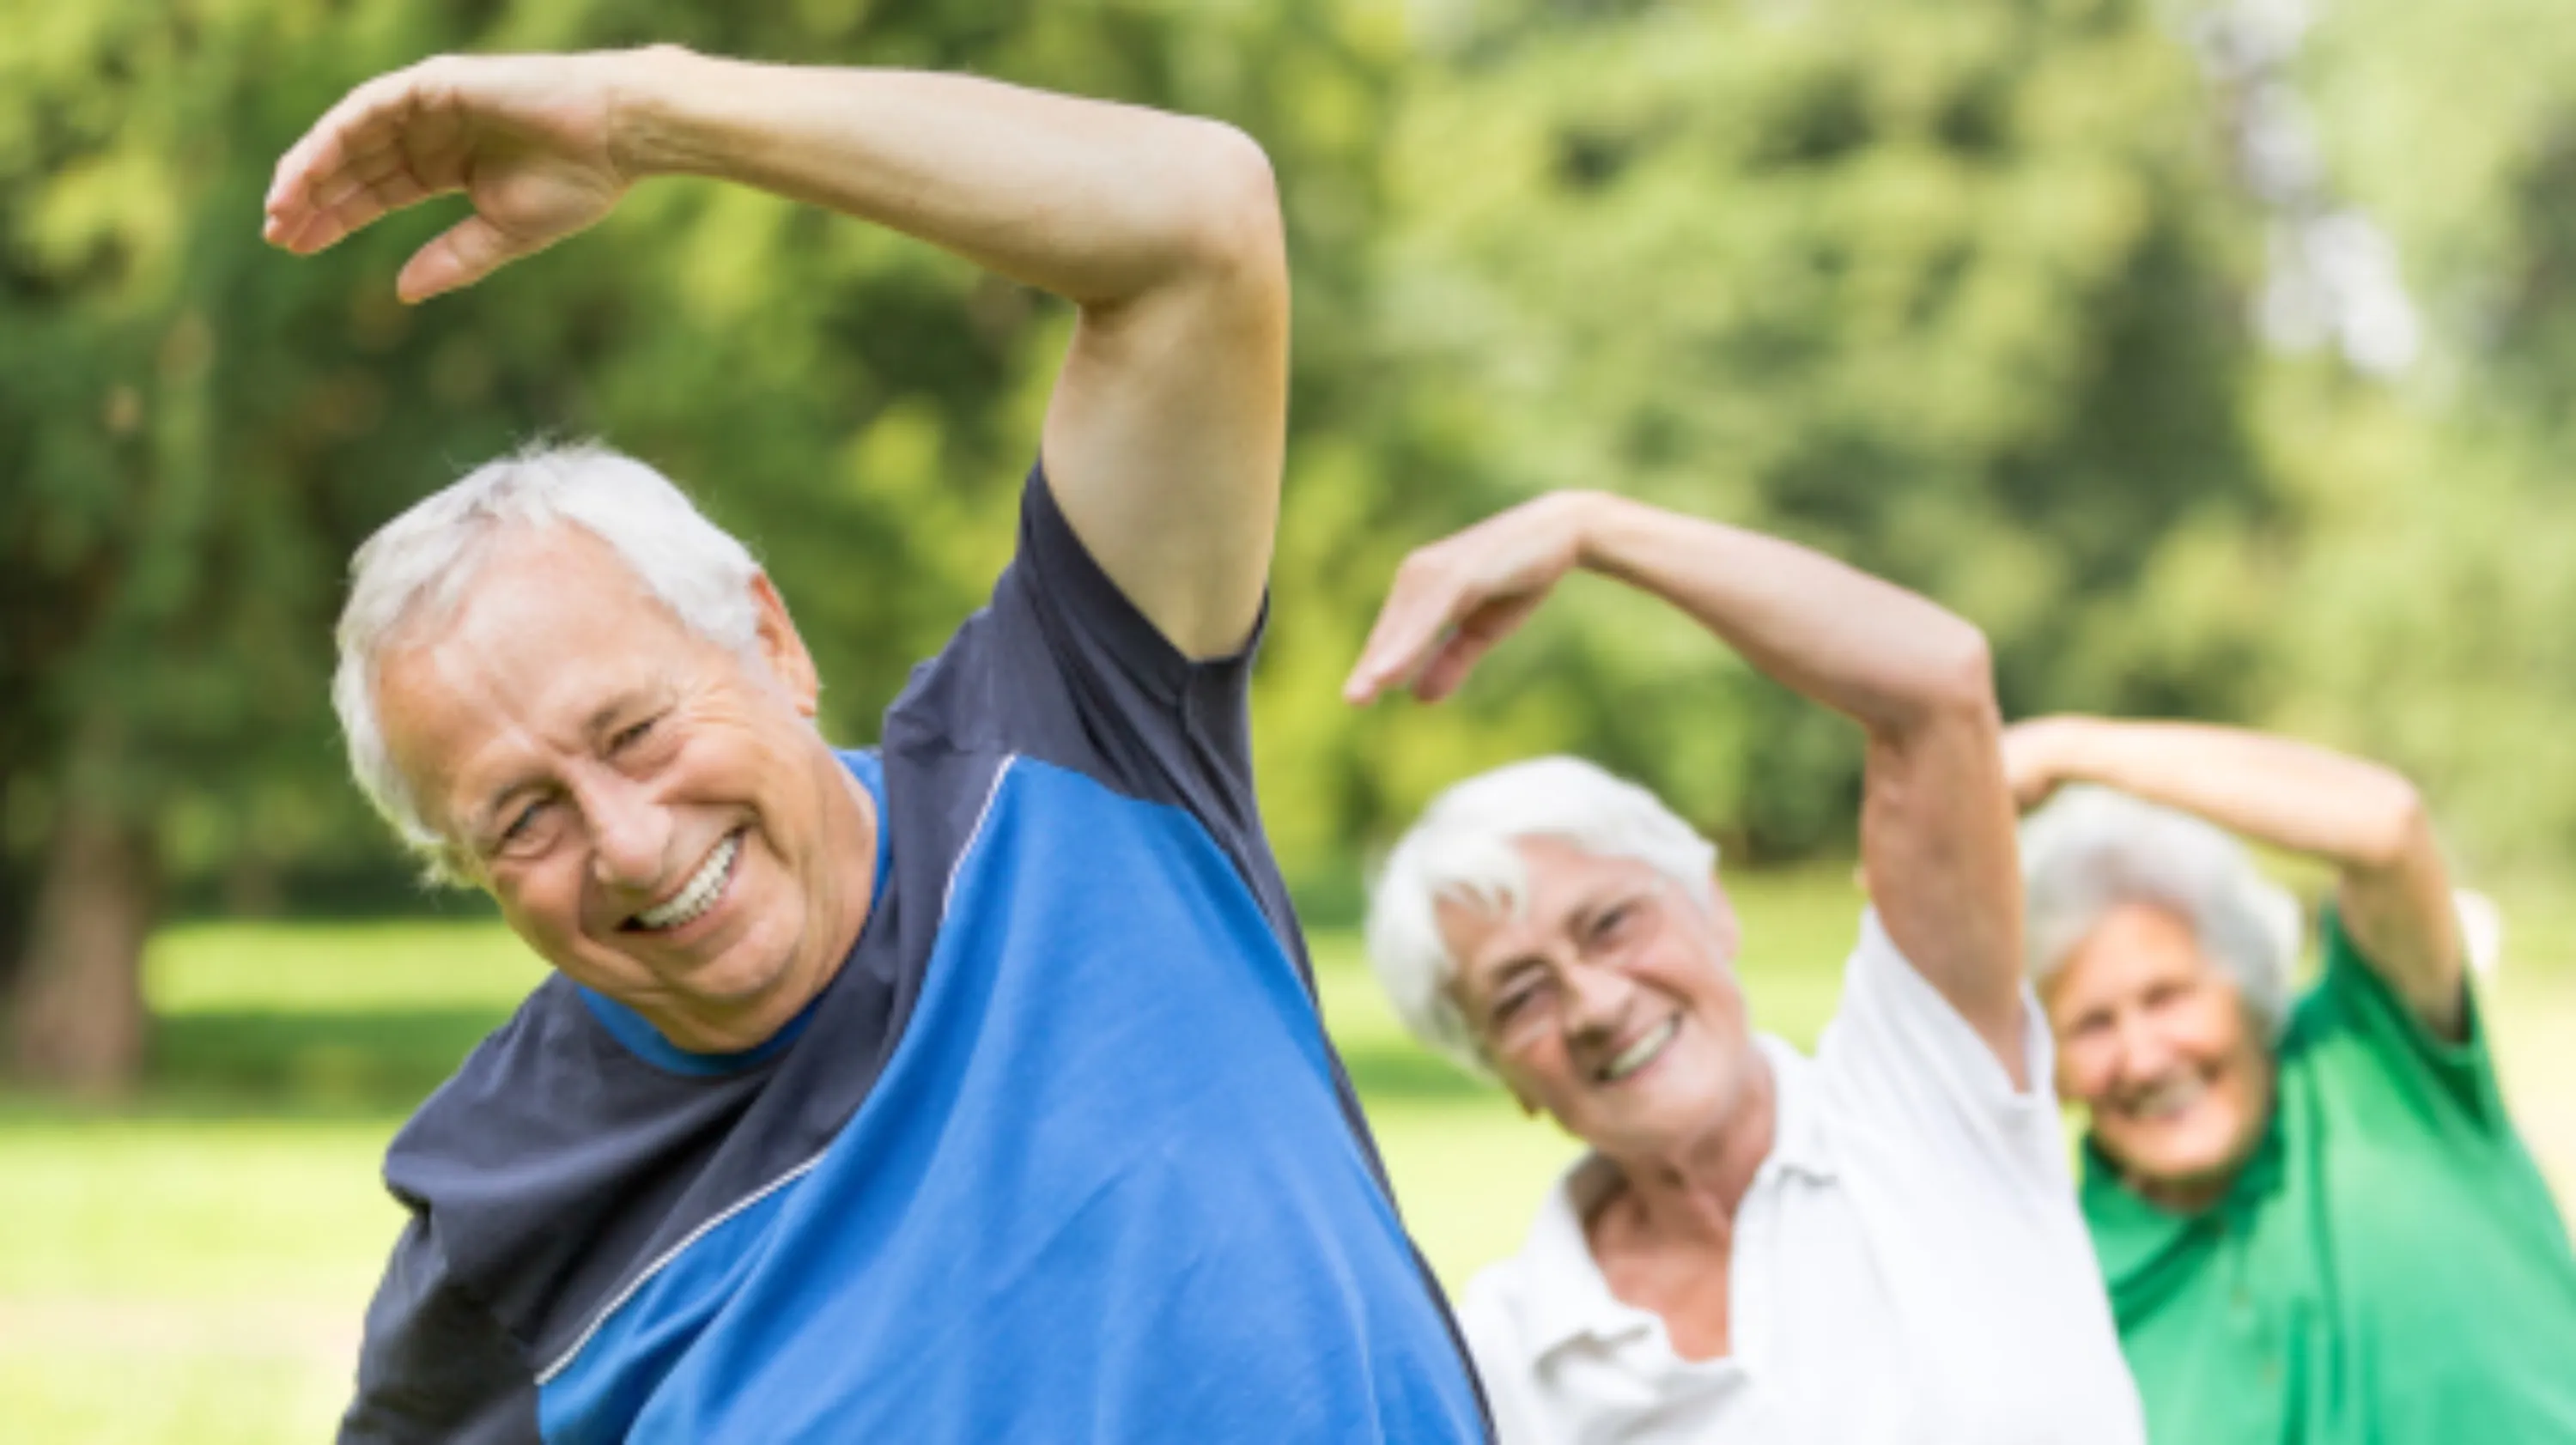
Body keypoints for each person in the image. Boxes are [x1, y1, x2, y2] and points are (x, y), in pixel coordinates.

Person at [268, 46, 1490, 1442]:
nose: (630, 840)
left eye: (638, 725)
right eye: (521, 818)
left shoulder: (1079, 740)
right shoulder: (502, 1225)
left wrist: (645, 113)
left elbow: (1195, 223)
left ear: (770, 640)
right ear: (465, 867)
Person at [1350, 490, 2145, 1443]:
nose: (1596, 1003)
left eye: (1611, 924)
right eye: (1521, 995)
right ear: (1501, 1073)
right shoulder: (1514, 1357)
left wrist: (1589, 530)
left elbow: (1935, 683)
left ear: (1712, 906)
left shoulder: (1922, 1092)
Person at [2009, 716, 2576, 1442]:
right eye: (2092, 1024)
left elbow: (2384, 828)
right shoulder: (2067, 1287)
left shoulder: (2380, 1059)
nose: (2144, 1057)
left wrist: (2070, 749)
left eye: (2168, 996)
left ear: (2247, 984)